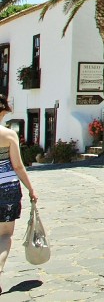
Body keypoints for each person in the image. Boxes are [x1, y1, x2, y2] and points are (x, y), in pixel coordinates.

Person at [0, 94, 39, 293]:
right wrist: (31, 189)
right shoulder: (8, 135)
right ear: (4, 111)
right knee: (5, 235)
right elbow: (17, 165)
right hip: (6, 189)